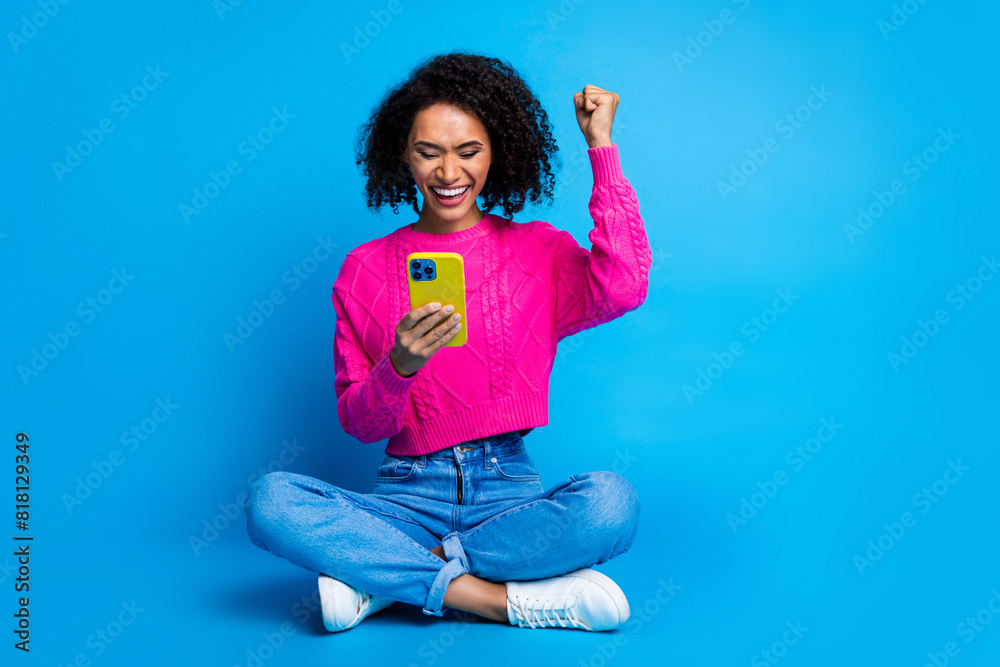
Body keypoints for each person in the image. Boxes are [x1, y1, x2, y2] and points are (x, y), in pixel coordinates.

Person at [246, 51, 652, 633]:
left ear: (497, 154)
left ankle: (386, 580)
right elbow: (360, 424)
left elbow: (626, 285)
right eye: (428, 151)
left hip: (508, 496)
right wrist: (399, 365)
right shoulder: (363, 270)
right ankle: (495, 599)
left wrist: (602, 150)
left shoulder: (539, 250)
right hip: (404, 499)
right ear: (402, 154)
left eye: (468, 151)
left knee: (612, 502)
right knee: (270, 500)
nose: (447, 171)